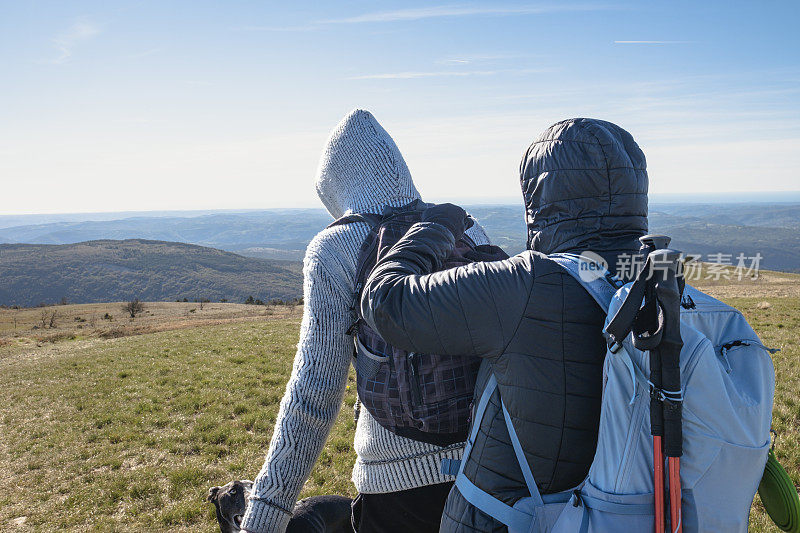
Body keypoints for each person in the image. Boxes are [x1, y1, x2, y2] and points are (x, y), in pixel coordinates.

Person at [359, 118, 649, 532]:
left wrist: (434, 226)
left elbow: (387, 302)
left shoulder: (525, 284)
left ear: (541, 195)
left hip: (509, 520)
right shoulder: (654, 280)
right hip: (619, 513)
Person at [240, 109, 491, 533]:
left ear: (336, 187)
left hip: (399, 488)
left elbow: (314, 394)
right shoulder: (465, 228)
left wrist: (266, 513)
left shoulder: (335, 248)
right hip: (493, 471)